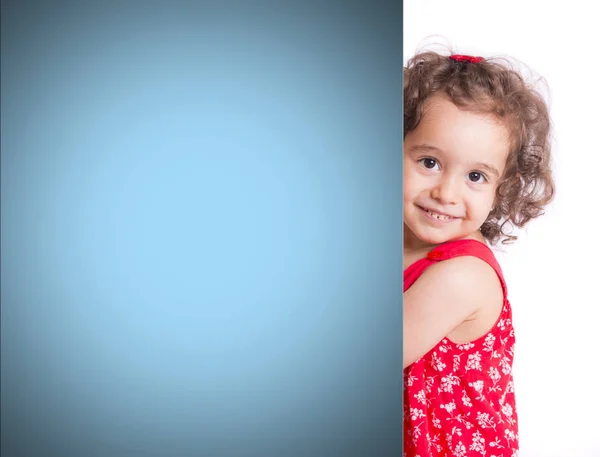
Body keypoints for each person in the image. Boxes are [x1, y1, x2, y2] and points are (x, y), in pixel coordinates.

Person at [403, 50, 554, 457]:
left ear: (502, 186)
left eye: (475, 176)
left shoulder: (461, 276)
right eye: (429, 162)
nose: (446, 193)